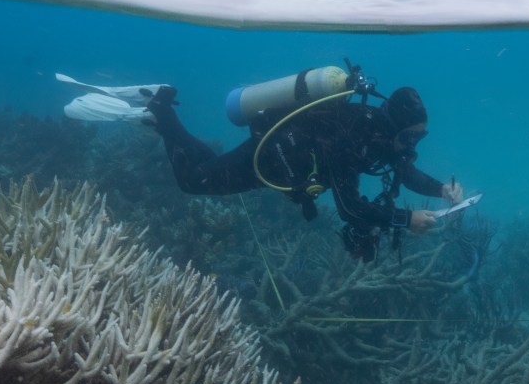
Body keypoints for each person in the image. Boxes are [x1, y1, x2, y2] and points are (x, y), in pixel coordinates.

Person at [146, 83, 463, 261]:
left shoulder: (381, 137)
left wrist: (441, 190)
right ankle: (160, 109)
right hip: (272, 158)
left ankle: (163, 116)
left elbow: (405, 172)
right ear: (395, 126)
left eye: (419, 138)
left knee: (209, 172)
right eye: (410, 136)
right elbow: (351, 209)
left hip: (289, 166)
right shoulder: (351, 138)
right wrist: (406, 220)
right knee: (193, 181)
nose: (411, 145)